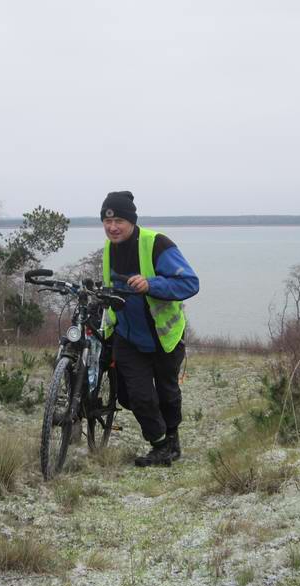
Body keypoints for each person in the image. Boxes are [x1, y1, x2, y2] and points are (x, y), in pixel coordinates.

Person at [100, 191, 199, 467]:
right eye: (107, 221)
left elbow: (190, 283)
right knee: (133, 396)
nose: (112, 227)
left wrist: (151, 284)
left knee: (167, 392)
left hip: (162, 336)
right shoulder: (109, 249)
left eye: (119, 220)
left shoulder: (156, 244)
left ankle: (171, 441)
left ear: (132, 221)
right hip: (127, 336)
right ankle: (159, 443)